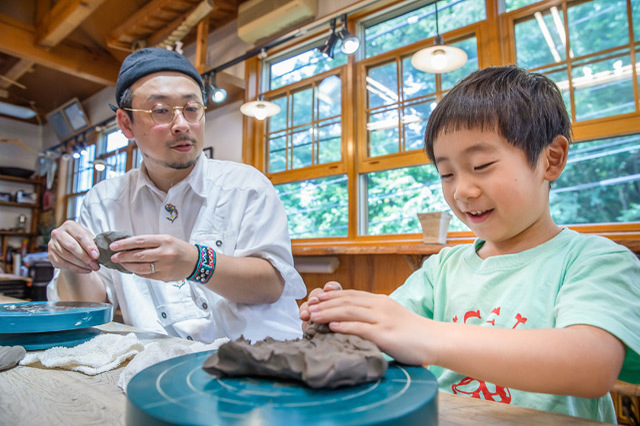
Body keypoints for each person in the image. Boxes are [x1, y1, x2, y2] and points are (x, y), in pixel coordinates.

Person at [300, 66, 640, 422]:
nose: (461, 190)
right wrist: (340, 321)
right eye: (447, 174)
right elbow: (389, 334)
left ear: (551, 158)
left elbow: (591, 364)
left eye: (481, 165)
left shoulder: (595, 260)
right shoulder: (442, 269)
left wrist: (424, 333)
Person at [47, 48, 306, 343]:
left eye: (192, 109)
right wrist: (70, 263)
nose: (182, 123)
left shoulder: (245, 185)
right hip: (159, 366)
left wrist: (197, 262)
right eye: (160, 110)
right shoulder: (105, 200)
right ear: (126, 124)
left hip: (259, 360)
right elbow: (89, 304)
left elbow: (272, 284)